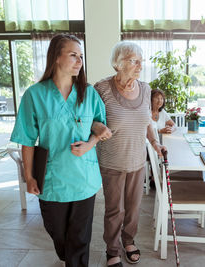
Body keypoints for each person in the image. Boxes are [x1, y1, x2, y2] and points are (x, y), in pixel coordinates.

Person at [10, 34, 111, 267]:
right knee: (57, 232)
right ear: (56, 57)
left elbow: (99, 125)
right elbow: (26, 139)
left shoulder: (88, 92)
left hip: (83, 177)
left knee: (80, 238)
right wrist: (28, 176)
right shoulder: (35, 95)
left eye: (81, 56)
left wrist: (91, 142)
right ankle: (69, 256)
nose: (79, 61)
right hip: (52, 178)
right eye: (73, 55)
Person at [94, 41, 165, 267]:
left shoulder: (145, 89)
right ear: (118, 63)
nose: (139, 66)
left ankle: (129, 240)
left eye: (141, 61)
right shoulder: (102, 88)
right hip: (112, 161)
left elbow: (148, 123)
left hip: (137, 161)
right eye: (133, 60)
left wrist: (155, 143)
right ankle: (112, 248)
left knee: (133, 208)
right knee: (115, 209)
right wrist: (96, 127)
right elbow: (91, 119)